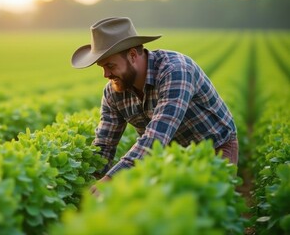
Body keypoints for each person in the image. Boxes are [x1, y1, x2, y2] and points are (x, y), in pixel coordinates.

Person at [71, 17, 238, 193]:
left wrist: (110, 179)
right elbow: (105, 144)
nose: (106, 74)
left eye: (110, 65)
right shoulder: (113, 91)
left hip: (213, 148)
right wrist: (91, 183)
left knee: (204, 205)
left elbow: (156, 136)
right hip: (166, 157)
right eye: (102, 67)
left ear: (133, 55)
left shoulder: (175, 71)